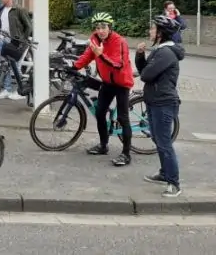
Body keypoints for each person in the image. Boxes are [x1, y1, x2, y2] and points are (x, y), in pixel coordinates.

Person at [73, 12, 134, 167]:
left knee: (122, 117)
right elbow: (87, 56)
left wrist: (100, 55)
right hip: (107, 82)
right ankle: (103, 146)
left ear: (110, 27)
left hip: (121, 83)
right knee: (100, 113)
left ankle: (126, 154)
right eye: (98, 27)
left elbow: (117, 64)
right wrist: (73, 67)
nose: (100, 31)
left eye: (104, 27)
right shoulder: (94, 39)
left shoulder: (119, 42)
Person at [136, 15, 185, 197]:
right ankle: (165, 173)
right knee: (158, 140)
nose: (150, 31)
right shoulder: (160, 51)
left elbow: (146, 76)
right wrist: (140, 55)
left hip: (164, 103)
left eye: (153, 29)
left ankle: (174, 183)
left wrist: (145, 65)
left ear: (161, 33)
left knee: (164, 143)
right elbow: (144, 71)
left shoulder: (165, 53)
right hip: (155, 101)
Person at [0, 0, 32, 100]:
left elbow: (28, 26)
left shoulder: (19, 9)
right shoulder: (1, 9)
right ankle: (7, 89)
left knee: (15, 66)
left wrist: (22, 40)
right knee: (4, 65)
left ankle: (20, 90)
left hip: (15, 42)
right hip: (2, 41)